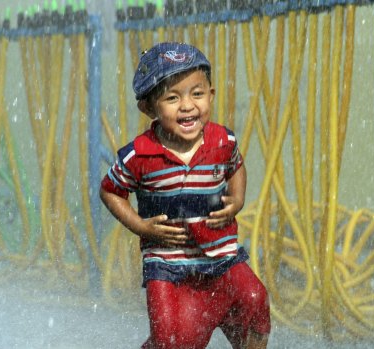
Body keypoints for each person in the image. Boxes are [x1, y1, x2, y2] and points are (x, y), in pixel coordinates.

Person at [100, 42, 270, 349]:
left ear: (211, 94)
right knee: (172, 339)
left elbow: (236, 165)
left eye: (197, 94)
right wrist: (140, 226)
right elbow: (110, 191)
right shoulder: (139, 154)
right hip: (167, 263)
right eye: (172, 98)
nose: (187, 106)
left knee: (254, 301)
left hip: (221, 256)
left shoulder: (222, 140)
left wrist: (238, 198)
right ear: (149, 107)